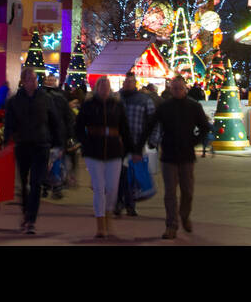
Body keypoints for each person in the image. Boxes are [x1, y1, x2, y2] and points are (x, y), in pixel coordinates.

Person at [137, 76, 211, 239]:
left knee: (188, 191)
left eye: (180, 88)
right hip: (169, 155)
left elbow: (205, 127)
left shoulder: (194, 106)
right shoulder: (165, 107)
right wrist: (140, 145)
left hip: (186, 156)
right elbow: (150, 125)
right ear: (170, 89)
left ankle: (184, 215)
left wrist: (194, 141)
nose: (177, 91)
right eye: (174, 88)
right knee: (170, 192)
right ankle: (172, 225)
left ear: (185, 89)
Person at [2, 67, 64, 235]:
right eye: (30, 79)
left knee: (36, 183)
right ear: (23, 81)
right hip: (23, 145)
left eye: (35, 79)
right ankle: (25, 213)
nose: (33, 82)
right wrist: (6, 141)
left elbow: (54, 121)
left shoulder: (45, 98)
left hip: (41, 145)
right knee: (24, 183)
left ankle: (31, 220)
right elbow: (9, 123)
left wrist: (59, 144)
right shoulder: (15, 101)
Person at [75, 76, 134, 238]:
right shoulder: (88, 105)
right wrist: (85, 143)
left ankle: (108, 216)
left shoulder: (117, 106)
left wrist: (131, 149)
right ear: (96, 88)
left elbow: (125, 129)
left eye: (106, 85)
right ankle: (100, 224)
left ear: (110, 88)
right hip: (93, 152)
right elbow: (79, 127)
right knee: (99, 188)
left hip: (114, 151)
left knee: (112, 188)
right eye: (101, 85)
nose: (104, 88)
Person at [115, 72, 155, 217]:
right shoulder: (117, 98)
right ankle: (121, 202)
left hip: (137, 142)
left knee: (131, 175)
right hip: (118, 142)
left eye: (131, 81)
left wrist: (152, 140)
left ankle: (128, 202)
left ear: (135, 83)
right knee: (120, 174)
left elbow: (152, 121)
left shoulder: (144, 100)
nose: (128, 84)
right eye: (126, 81)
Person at [42, 74, 74, 200]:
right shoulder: (42, 95)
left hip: (57, 134)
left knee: (55, 161)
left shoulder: (60, 97)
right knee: (46, 161)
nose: (51, 82)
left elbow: (68, 116)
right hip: (46, 134)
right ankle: (48, 185)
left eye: (52, 80)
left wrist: (69, 134)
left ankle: (55, 185)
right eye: (49, 80)